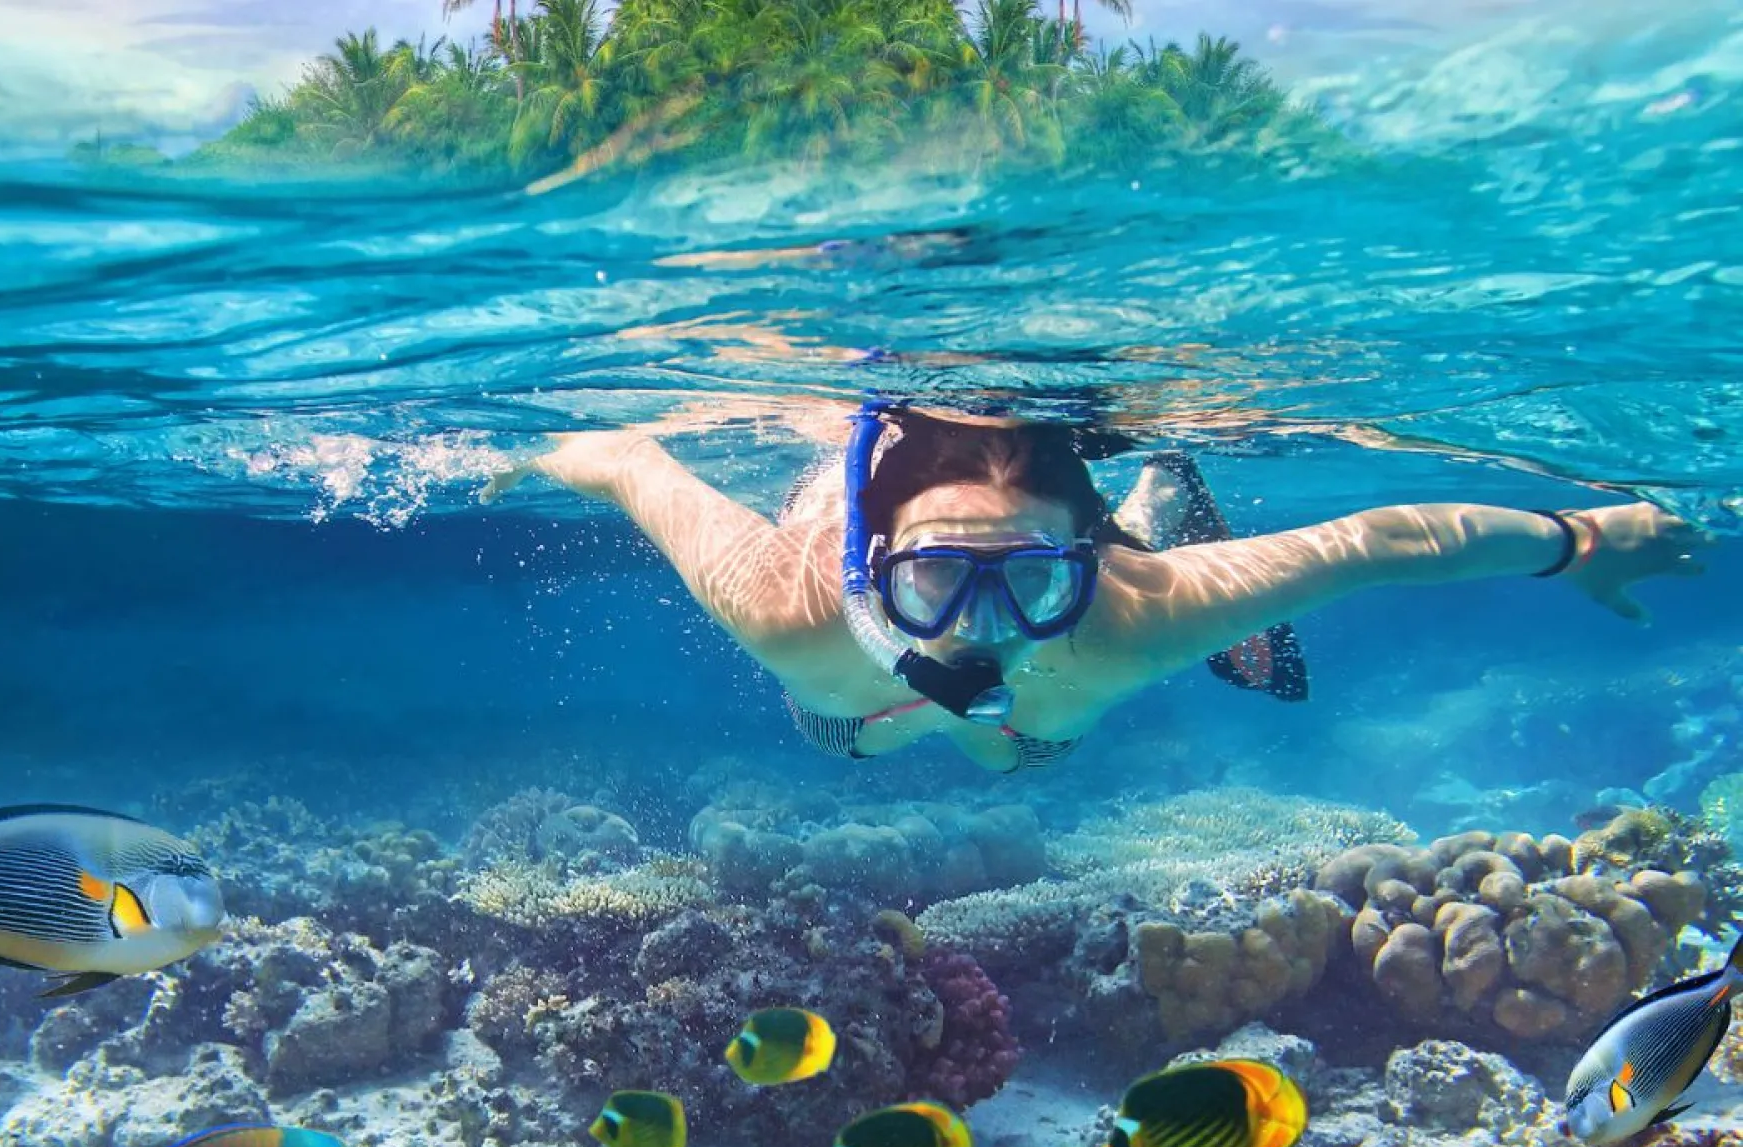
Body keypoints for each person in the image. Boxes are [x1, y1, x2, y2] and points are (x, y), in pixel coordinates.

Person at [481, 399, 1709, 773]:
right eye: (937, 580)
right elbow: (629, 457)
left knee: (1026, 746)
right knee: (841, 732)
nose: (981, 628)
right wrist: (511, 458)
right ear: (870, 568)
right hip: (850, 703)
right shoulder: (783, 602)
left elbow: (1386, 537)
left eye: (1029, 582)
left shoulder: (1134, 610)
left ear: (1090, 569)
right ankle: (1134, 510)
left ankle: (1148, 500)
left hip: (1089, 624)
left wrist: (1583, 540)